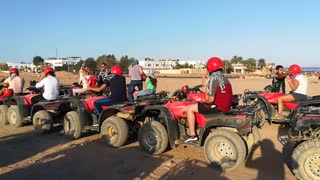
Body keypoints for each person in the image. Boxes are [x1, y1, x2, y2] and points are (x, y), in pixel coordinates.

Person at [184, 57, 233, 143]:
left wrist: (203, 102)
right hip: (227, 106)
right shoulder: (224, 78)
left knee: (190, 108)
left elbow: (210, 99)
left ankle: (192, 135)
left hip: (218, 107)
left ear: (210, 67)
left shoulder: (213, 79)